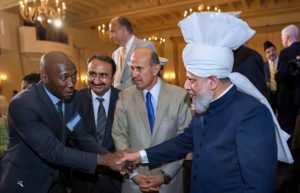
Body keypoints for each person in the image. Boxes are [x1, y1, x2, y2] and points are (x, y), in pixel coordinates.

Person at [118, 12, 293, 193]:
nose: (186, 86)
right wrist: (140, 155)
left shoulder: (252, 114)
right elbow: (183, 142)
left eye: (192, 80)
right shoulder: (205, 105)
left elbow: (259, 187)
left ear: (212, 82)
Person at [0, 51, 124, 193]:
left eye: (74, 76)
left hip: (55, 181)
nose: (71, 84)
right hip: (24, 181)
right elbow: (53, 150)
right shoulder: (23, 104)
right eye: (64, 78)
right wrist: (104, 160)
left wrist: (111, 157)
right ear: (44, 77)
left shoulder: (70, 99)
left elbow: (80, 136)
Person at [112, 47, 192, 193]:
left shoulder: (179, 96)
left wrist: (164, 175)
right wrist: (134, 174)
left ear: (155, 69)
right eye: (132, 68)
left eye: (139, 68)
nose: (134, 74)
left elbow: (184, 139)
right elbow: (119, 135)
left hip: (169, 183)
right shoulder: (124, 97)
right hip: (134, 183)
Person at [71, 54, 122, 193]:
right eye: (92, 74)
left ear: (112, 78)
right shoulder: (74, 100)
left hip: (117, 179)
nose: (97, 80)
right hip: (83, 178)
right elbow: (73, 134)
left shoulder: (124, 99)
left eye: (103, 75)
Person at [109, 16, 156, 90]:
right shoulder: (115, 54)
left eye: (113, 31)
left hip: (139, 97)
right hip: (119, 99)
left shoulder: (145, 46)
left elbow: (149, 76)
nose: (110, 36)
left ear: (124, 30)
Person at [276, 24, 300, 137]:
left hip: (288, 100)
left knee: (286, 133)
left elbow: (280, 76)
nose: (282, 41)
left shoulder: (285, 53)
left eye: (282, 39)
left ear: (287, 37)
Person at [263, 41, 279, 113]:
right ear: (265, 55)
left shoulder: (282, 62)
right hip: (269, 95)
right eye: (268, 52)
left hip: (282, 95)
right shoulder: (263, 66)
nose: (271, 53)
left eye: (273, 50)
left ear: (276, 50)